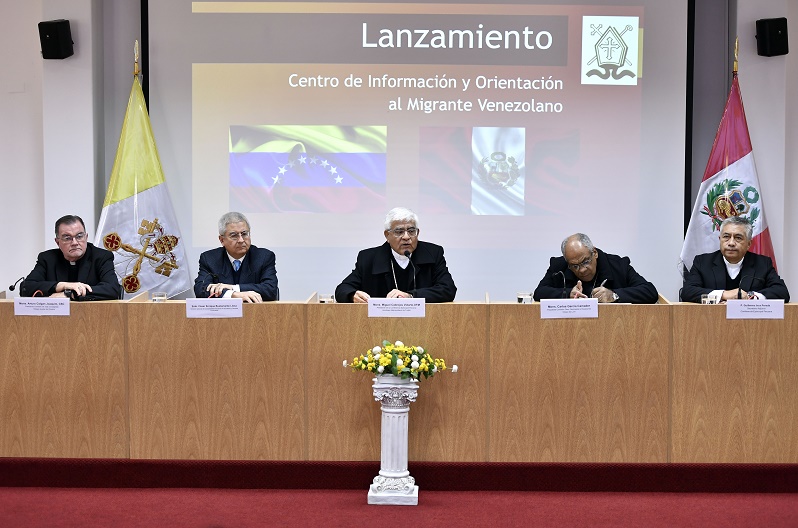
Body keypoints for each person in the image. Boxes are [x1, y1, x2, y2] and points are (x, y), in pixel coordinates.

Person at [335, 207, 456, 303]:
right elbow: (342, 289)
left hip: (424, 322)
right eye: (399, 231)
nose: (406, 237)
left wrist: (410, 296)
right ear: (387, 235)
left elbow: (448, 289)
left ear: (418, 233)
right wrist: (352, 295)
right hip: (380, 323)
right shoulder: (369, 258)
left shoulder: (433, 253)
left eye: (411, 231)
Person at [681, 216, 789, 303]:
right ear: (720, 239)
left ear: (749, 244)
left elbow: (782, 292)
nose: (731, 243)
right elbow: (687, 292)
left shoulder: (762, 263)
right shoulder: (703, 262)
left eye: (738, 238)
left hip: (749, 322)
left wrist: (750, 297)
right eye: (726, 237)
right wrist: (724, 294)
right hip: (711, 320)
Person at [533, 233, 658, 303]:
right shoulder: (559, 267)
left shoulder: (618, 265)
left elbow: (650, 291)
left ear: (595, 253)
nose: (582, 270)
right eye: (575, 266)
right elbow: (539, 292)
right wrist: (567, 294)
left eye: (585, 262)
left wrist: (614, 295)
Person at [21, 215, 121, 300]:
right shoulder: (47, 259)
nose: (74, 243)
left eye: (79, 236)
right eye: (67, 238)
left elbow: (112, 289)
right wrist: (61, 285)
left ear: (86, 237)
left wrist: (69, 294)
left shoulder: (101, 257)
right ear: (58, 242)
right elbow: (25, 288)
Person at [193, 212, 278, 303]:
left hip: (255, 311)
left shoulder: (264, 257)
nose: (241, 240)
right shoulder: (210, 259)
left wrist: (233, 288)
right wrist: (232, 294)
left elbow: (270, 289)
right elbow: (201, 289)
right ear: (222, 240)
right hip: (223, 312)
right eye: (234, 235)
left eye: (244, 234)